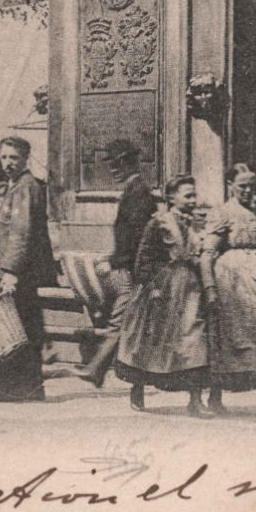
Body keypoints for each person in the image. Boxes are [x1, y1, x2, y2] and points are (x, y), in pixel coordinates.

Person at [115, 175, 212, 415]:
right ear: (171, 198)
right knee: (150, 343)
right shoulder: (158, 223)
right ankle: (138, 387)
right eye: (187, 196)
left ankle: (195, 400)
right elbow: (144, 259)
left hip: (190, 289)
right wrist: (152, 287)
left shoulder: (197, 226)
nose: (192, 200)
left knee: (194, 340)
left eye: (194, 195)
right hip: (162, 290)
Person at [201, 164, 256, 414]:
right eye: (242, 186)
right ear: (230, 186)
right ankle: (215, 397)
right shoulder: (222, 212)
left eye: (252, 185)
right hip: (232, 281)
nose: (248, 190)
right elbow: (207, 253)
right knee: (232, 337)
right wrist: (209, 287)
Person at [76, 139, 158, 387]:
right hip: (126, 267)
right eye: (110, 163)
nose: (111, 169)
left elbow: (136, 239)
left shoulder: (138, 193)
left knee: (119, 320)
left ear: (127, 163)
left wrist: (114, 261)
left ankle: (96, 368)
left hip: (132, 271)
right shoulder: (133, 190)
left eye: (116, 163)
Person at [0, 137, 57, 403]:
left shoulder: (25, 187)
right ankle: (25, 387)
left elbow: (21, 232)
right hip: (11, 271)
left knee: (16, 330)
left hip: (17, 274)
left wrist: (10, 271)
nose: (8, 163)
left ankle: (16, 387)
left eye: (14, 158)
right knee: (23, 329)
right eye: (4, 157)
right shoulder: (15, 186)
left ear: (26, 158)